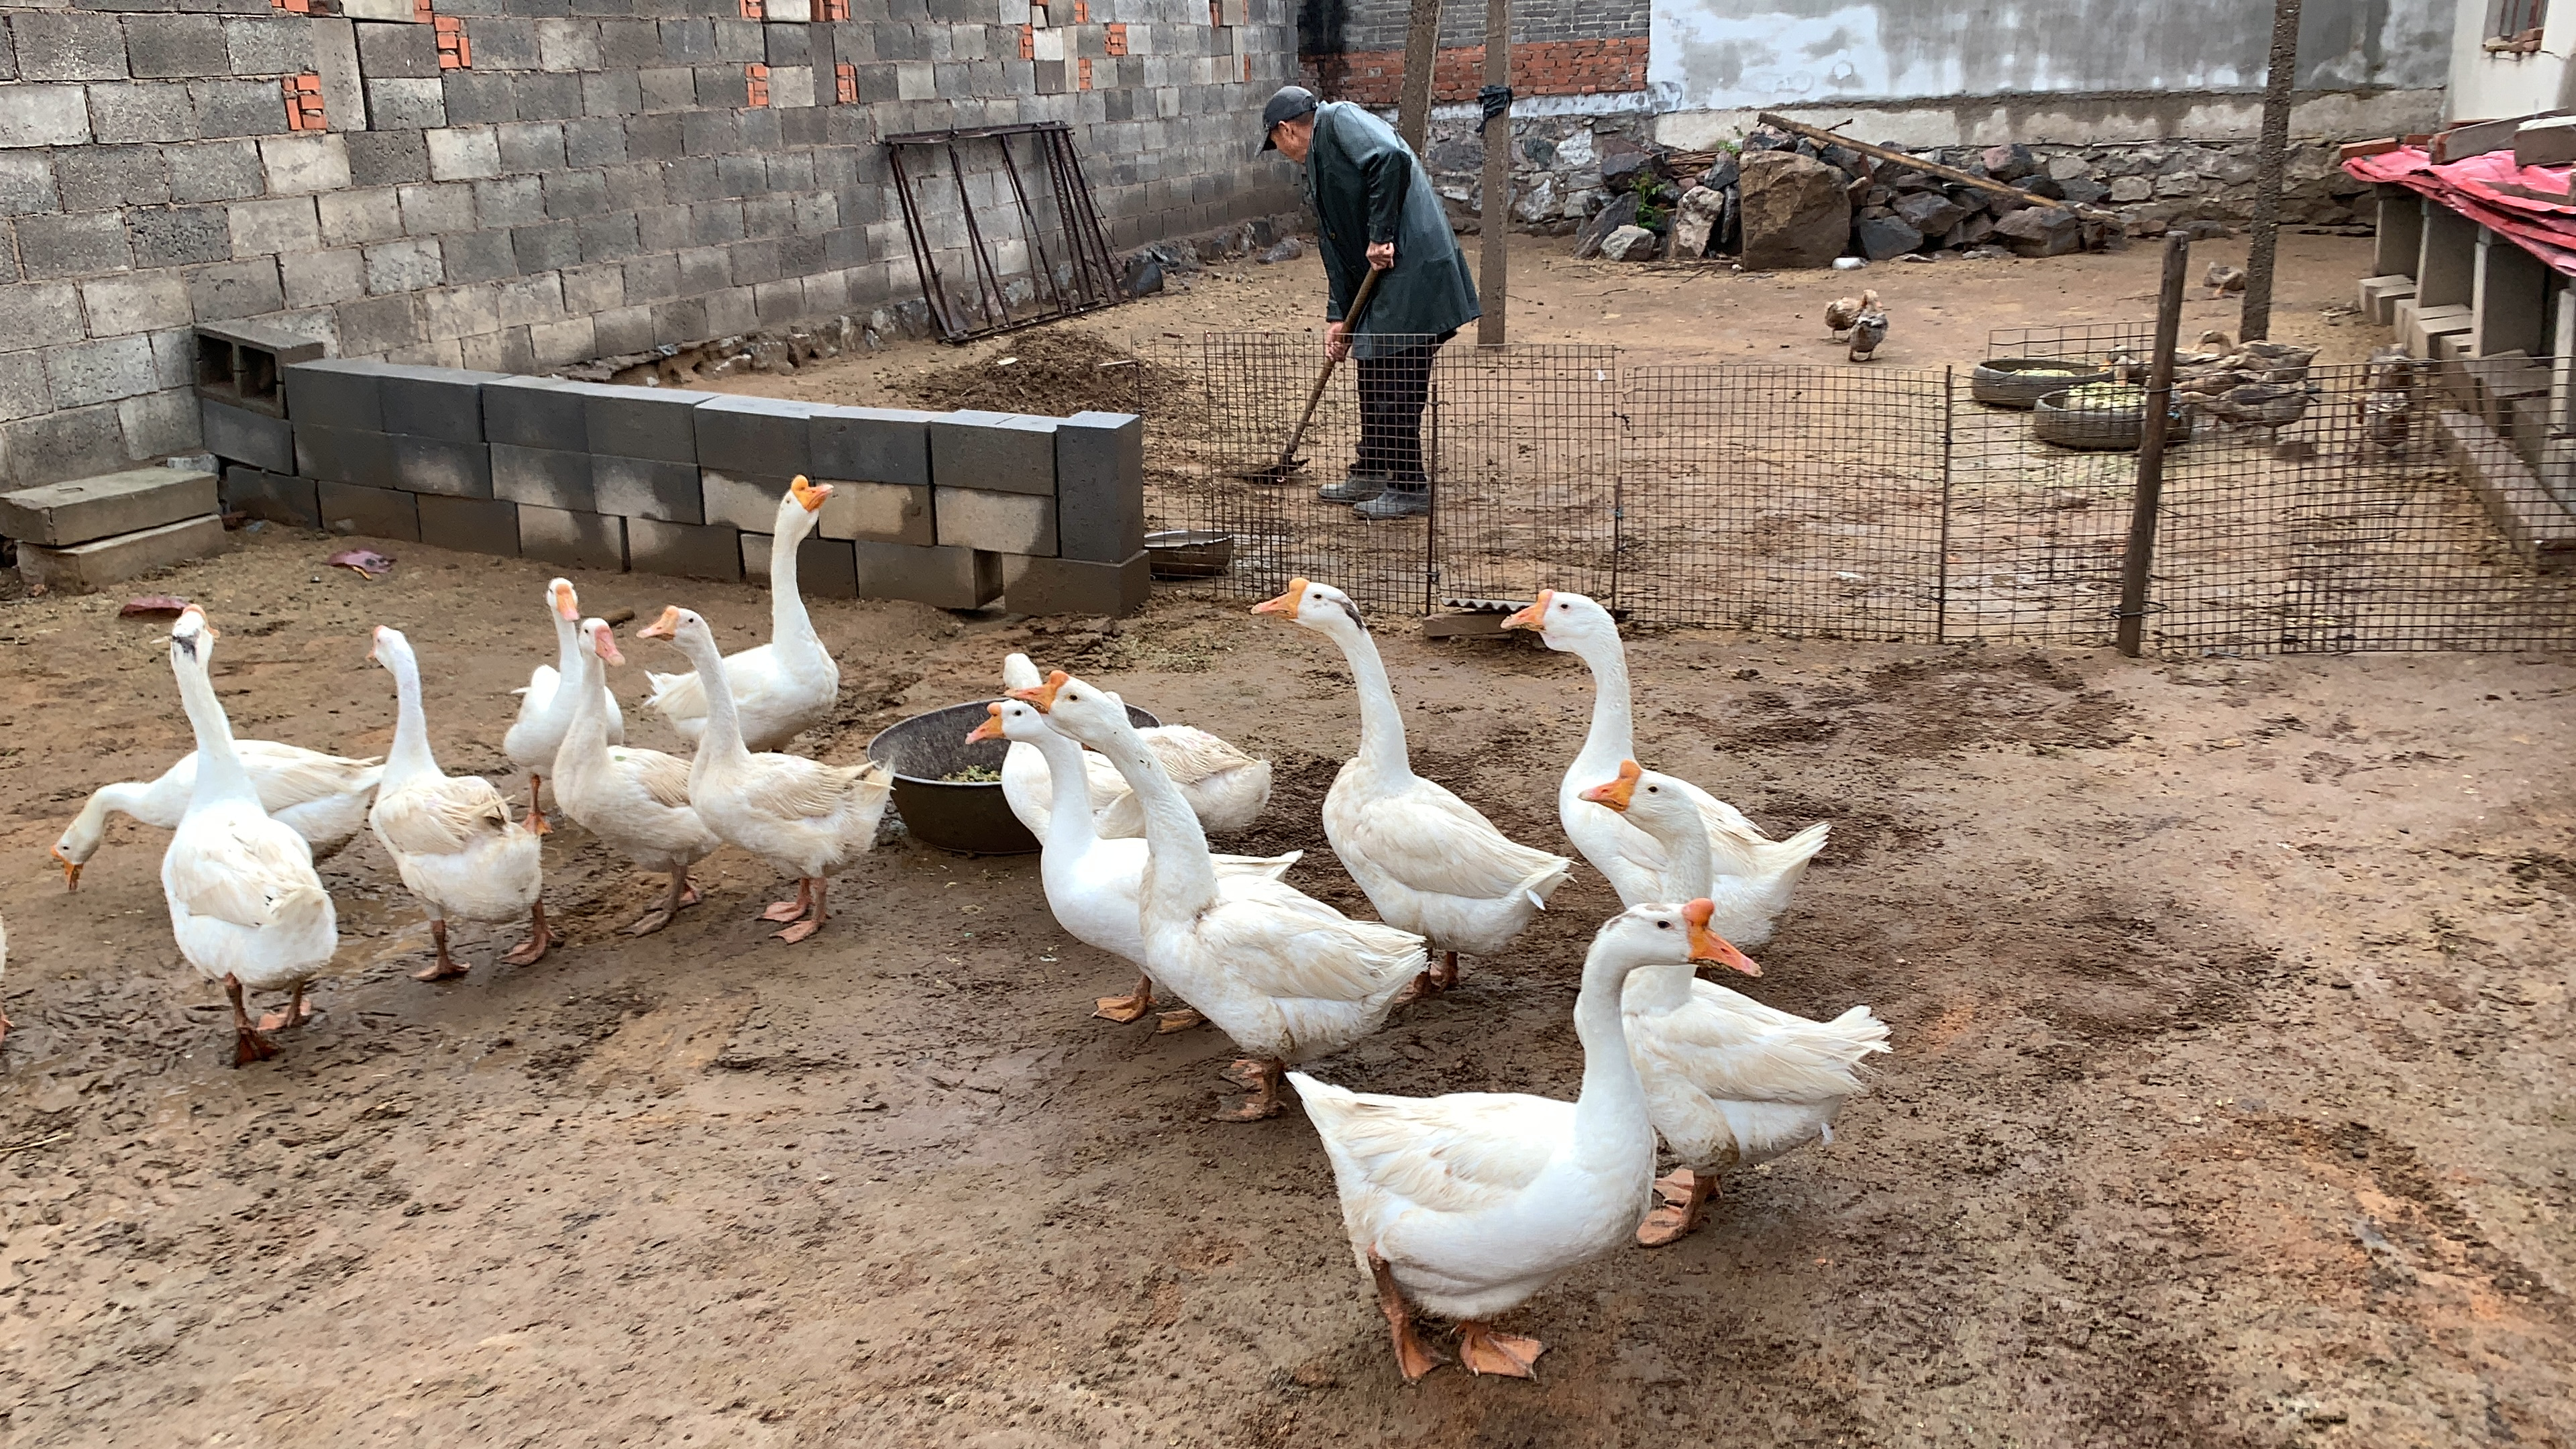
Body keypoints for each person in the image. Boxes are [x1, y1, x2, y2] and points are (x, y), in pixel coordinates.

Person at [1260, 85, 1480, 520]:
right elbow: (1336, 244)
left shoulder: (1339, 119)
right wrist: (1340, 318)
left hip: (1415, 274)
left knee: (1396, 379)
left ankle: (1409, 486)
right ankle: (1372, 469)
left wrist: (1382, 234)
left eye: (1276, 146)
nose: (1283, 153)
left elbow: (1389, 159)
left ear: (1286, 131)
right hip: (1386, 283)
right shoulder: (1320, 164)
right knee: (1372, 366)